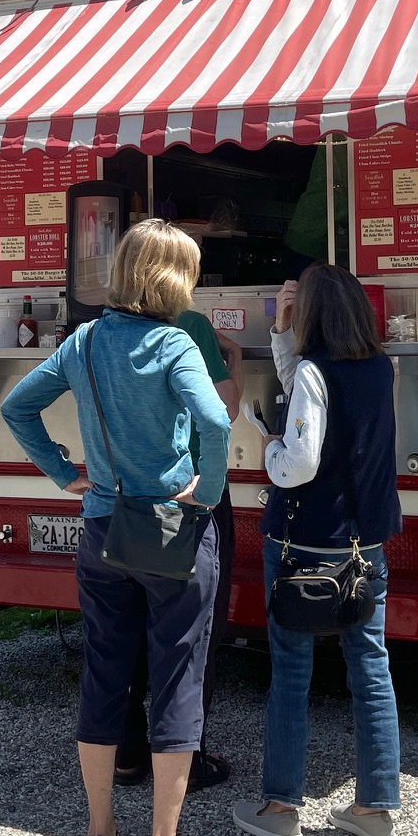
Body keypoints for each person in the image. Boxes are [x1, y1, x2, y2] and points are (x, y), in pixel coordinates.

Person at [1, 220, 231, 836]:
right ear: (172, 278)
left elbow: (20, 408)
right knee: (177, 676)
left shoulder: (84, 340)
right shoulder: (173, 341)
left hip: (102, 525)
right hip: (169, 527)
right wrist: (209, 490)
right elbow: (215, 421)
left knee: (105, 675)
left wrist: (61, 469)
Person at [233, 262, 403, 836]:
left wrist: (271, 447)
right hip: (365, 542)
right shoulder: (382, 368)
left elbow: (301, 458)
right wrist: (283, 335)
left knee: (291, 673)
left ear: (313, 316)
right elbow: (314, 397)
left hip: (304, 543)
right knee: (371, 669)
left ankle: (281, 807)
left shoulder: (313, 372)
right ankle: (376, 808)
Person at [116, 305, 242, 791]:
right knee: (189, 638)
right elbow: (224, 409)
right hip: (186, 495)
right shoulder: (189, 324)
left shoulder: (101, 333)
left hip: (124, 498)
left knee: (125, 630)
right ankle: (186, 761)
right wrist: (234, 358)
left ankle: (126, 755)